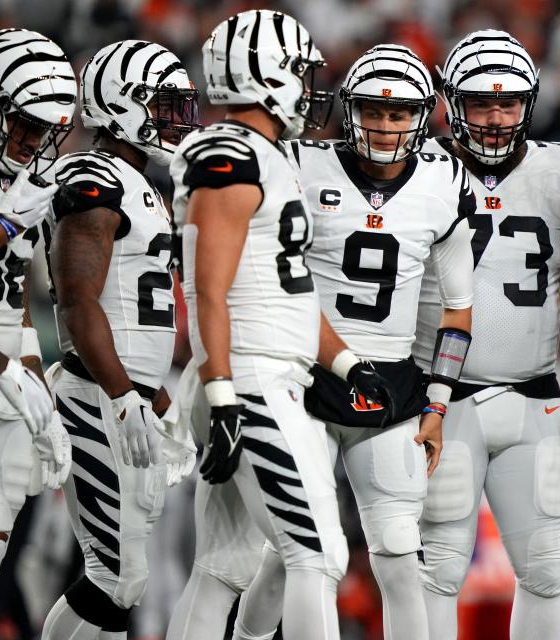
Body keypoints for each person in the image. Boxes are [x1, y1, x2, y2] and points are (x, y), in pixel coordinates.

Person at [223, 43, 476, 640]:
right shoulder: (299, 165)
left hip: (390, 387)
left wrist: (436, 405)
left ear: (423, 115)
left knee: (397, 551)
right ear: (347, 110)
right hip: (302, 379)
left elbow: (459, 310)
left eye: (398, 114)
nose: (384, 126)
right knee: (300, 554)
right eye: (371, 111)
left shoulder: (445, 180)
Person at [168, 11, 396, 640]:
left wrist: (346, 361)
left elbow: (286, 286)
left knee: (224, 567)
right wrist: (221, 392)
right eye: (299, 71)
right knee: (318, 555)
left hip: (261, 372)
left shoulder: (270, 155)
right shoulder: (231, 151)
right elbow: (208, 290)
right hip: (249, 378)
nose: (307, 84)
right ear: (265, 74)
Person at [414, 29, 560, 640]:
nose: (496, 119)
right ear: (450, 103)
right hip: (441, 398)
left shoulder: (557, 168)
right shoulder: (422, 168)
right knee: (438, 566)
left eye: (509, 103)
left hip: (533, 394)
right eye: (480, 103)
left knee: (546, 568)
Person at [40, 39, 199, 640]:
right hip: (98, 394)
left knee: (125, 578)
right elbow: (80, 303)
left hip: (124, 397)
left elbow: (133, 305)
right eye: (160, 105)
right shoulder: (94, 175)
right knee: (117, 576)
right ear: (122, 104)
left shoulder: (141, 184)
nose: (172, 119)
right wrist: (121, 394)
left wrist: (154, 399)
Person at [0, 27, 76, 598]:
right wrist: (3, 226)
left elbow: (14, 299)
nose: (33, 142)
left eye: (46, 131)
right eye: (26, 124)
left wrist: (33, 379)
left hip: (0, 381)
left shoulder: (20, 178)